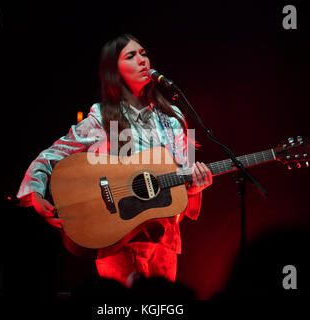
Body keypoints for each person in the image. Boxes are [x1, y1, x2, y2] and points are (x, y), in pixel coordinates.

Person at [16, 34, 213, 287]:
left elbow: (184, 180)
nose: (142, 60)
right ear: (113, 71)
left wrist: (195, 188)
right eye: (131, 56)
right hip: (116, 236)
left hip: (163, 239)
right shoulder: (102, 116)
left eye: (143, 53)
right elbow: (52, 155)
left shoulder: (173, 119)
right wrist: (35, 193)